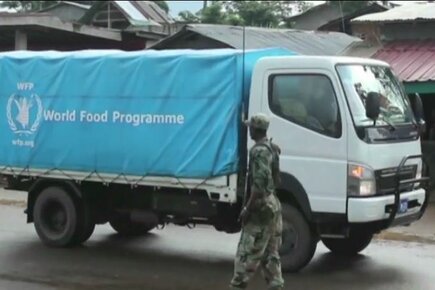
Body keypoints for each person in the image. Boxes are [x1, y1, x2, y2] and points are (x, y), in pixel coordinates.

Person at [230, 113, 284, 290]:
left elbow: (258, 187)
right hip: (273, 205)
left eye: (250, 127)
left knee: (245, 253)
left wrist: (247, 208)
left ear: (255, 129)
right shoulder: (272, 148)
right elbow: (276, 181)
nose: (249, 131)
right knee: (270, 254)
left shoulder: (258, 152)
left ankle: (238, 285)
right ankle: (275, 285)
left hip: (260, 209)